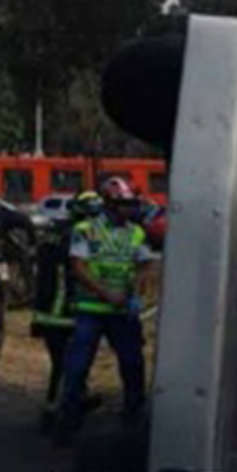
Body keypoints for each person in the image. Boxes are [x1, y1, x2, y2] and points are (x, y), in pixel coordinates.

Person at [55, 176, 158, 434]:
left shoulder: (135, 232)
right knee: (77, 366)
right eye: (125, 204)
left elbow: (146, 265)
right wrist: (106, 293)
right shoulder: (86, 230)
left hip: (123, 311)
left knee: (132, 363)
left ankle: (133, 415)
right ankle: (69, 418)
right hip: (91, 310)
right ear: (110, 205)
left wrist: (138, 293)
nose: (130, 209)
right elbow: (78, 267)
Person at [32, 192, 99, 425]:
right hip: (66, 313)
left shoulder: (54, 235)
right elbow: (78, 276)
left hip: (47, 312)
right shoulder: (77, 239)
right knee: (68, 364)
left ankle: (66, 402)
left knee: (62, 363)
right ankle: (61, 411)